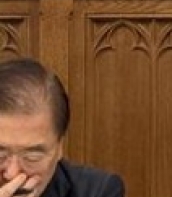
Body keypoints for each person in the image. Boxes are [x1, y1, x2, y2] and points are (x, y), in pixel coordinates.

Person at [0, 58, 124, 197]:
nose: (12, 174)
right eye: (0, 154)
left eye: (32, 156)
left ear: (59, 148)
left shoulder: (98, 190)